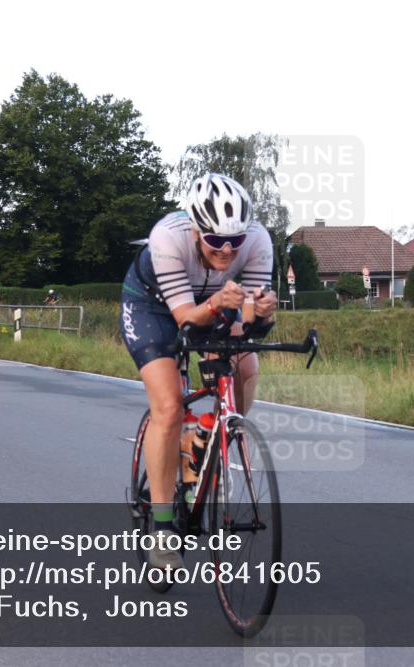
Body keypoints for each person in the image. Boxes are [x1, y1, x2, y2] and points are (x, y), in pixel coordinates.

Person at [120, 173, 277, 571]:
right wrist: (217, 306)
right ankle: (162, 527)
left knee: (245, 366)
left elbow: (248, 325)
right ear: (195, 230)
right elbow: (185, 320)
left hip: (214, 300)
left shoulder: (258, 240)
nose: (226, 250)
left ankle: (210, 440)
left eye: (234, 241)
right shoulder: (167, 238)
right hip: (155, 307)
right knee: (170, 407)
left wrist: (262, 315)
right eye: (214, 240)